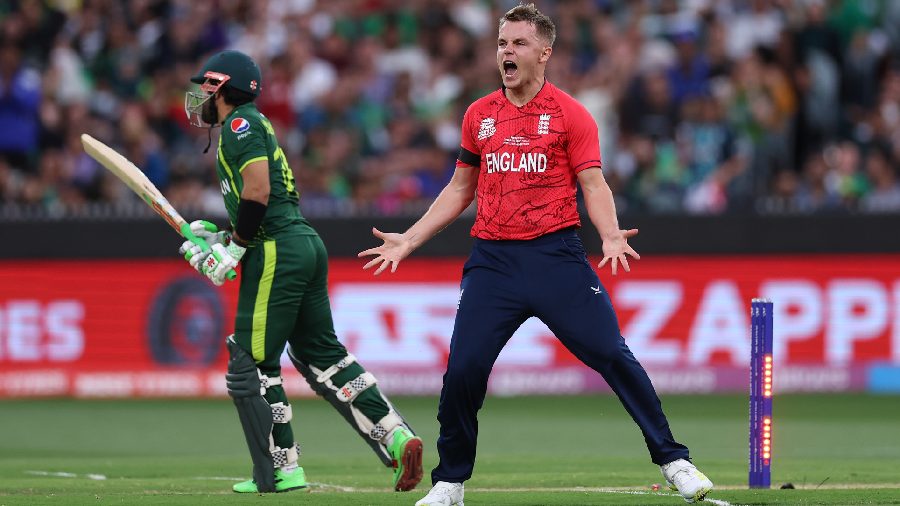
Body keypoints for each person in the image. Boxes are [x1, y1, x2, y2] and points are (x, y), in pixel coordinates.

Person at [358, 5, 714, 505]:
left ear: (544, 53)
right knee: (462, 372)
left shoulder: (571, 114)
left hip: (556, 257)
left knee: (611, 354)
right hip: (493, 263)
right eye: (503, 43)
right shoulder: (478, 116)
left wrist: (610, 234)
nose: (507, 51)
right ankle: (450, 483)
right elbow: (461, 188)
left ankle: (674, 460)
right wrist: (411, 239)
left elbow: (593, 182)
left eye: (519, 44)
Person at [180, 49, 423, 494]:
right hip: (300, 244)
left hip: (275, 248)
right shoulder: (251, 124)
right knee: (320, 355)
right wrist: (220, 237)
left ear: (227, 87)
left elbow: (258, 190)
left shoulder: (240, 124)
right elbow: (257, 200)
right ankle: (396, 436)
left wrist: (233, 247)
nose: (201, 96)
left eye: (208, 86)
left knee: (250, 363)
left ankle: (279, 469)